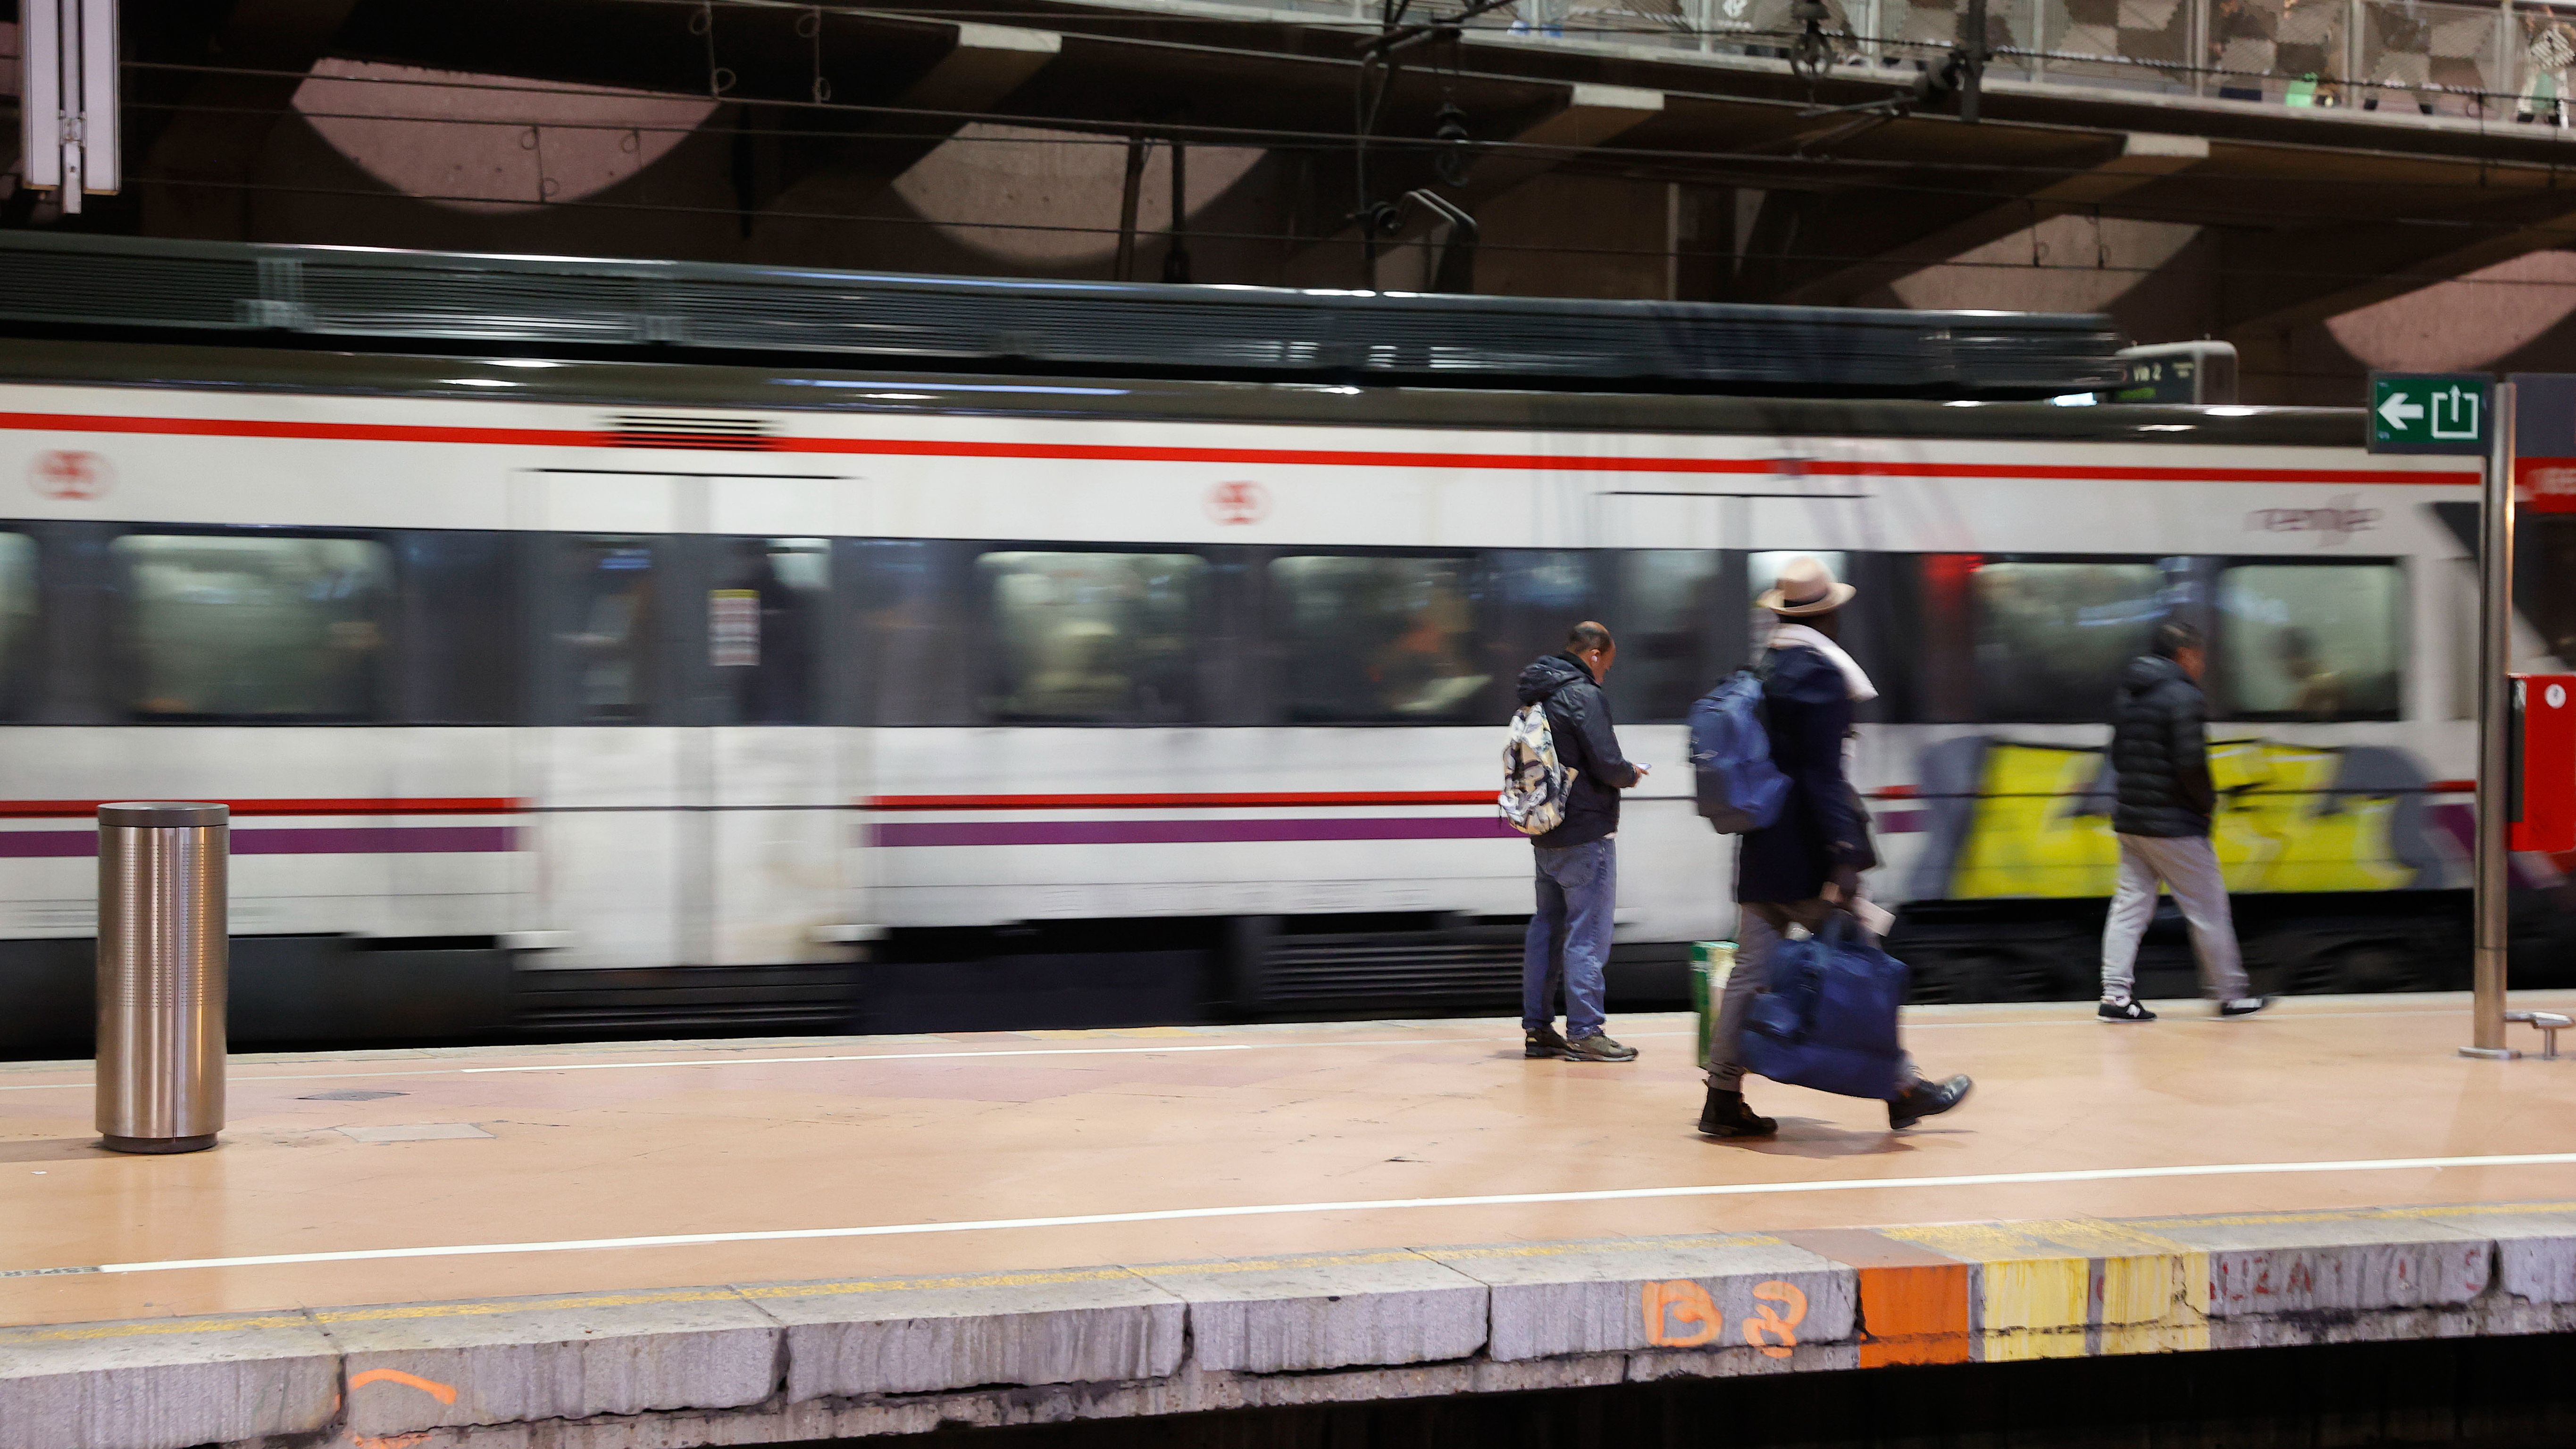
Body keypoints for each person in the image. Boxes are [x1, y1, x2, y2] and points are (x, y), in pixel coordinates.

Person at [1701, 556, 1972, 1137]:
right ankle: (1901, 1089)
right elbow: (1824, 775)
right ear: (1829, 616)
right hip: (1810, 856)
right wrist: (1845, 854)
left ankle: (1721, 1098)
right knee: (1866, 963)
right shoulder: (1822, 677)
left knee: (1749, 976)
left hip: (1761, 847)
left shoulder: (1766, 666)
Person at [2099, 621, 2272, 1022]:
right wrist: (2207, 804)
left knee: (2129, 906)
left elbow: (2120, 758)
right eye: (2199, 654)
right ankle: (2230, 995)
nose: (2202, 662)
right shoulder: (2184, 696)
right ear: (2185, 654)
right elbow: (2191, 762)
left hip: (2133, 818)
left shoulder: (2130, 692)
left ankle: (2115, 996)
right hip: (2174, 822)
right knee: (2208, 907)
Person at [1518, 622, 1645, 1063]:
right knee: (1587, 934)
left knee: (1547, 929)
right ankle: (1586, 1032)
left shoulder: (1538, 693)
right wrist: (1631, 773)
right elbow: (1608, 763)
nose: (1604, 675)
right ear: (1593, 654)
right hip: (1586, 832)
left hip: (1546, 829)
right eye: (1605, 666)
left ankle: (1538, 1029)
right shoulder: (1584, 695)